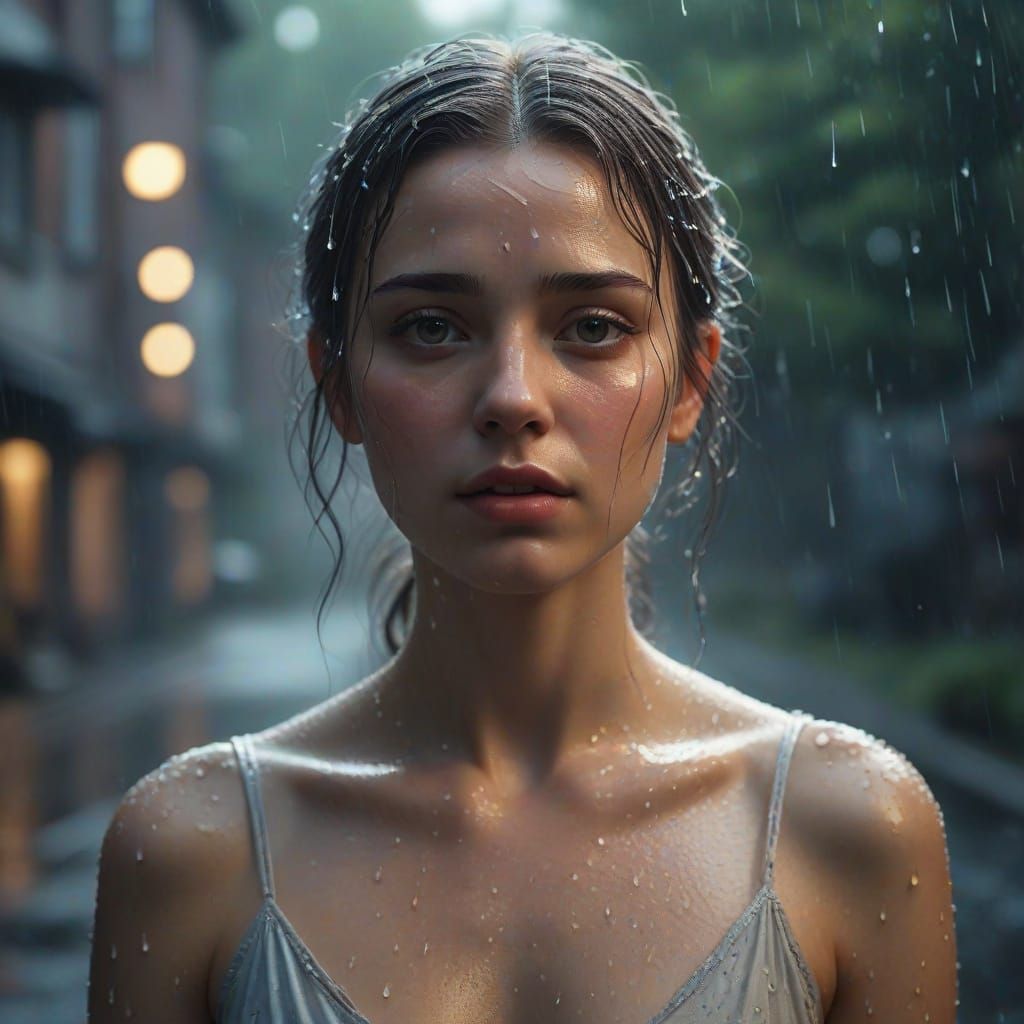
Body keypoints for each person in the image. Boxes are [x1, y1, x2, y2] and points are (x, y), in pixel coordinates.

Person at [88, 32, 958, 1024]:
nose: (511, 399)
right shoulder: (195, 845)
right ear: (337, 383)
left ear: (689, 379)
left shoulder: (845, 825)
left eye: (591, 325)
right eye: (431, 326)